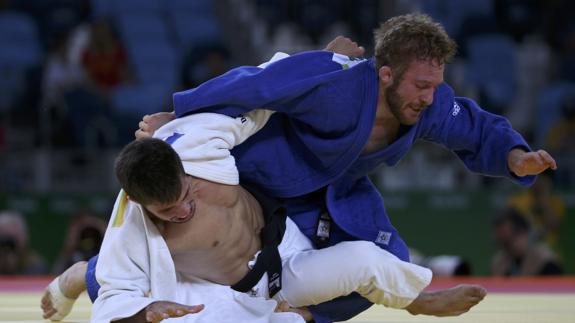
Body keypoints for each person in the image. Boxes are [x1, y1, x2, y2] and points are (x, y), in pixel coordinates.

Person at [142, 13, 556, 322]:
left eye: (435, 85)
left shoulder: (425, 104)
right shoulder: (333, 81)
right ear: (387, 74)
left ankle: (306, 314)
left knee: (386, 257)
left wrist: (513, 156)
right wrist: (177, 114)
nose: (430, 98)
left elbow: (471, 124)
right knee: (207, 248)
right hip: (266, 176)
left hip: (335, 192)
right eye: (421, 86)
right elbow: (253, 84)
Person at [43, 112, 485, 322]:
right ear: (142, 205)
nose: (182, 210)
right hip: (228, 291)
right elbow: (115, 306)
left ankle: (419, 300)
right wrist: (146, 312)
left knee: (367, 260)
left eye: (183, 195)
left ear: (180, 167)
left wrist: (325, 61)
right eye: (168, 212)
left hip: (286, 247)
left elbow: (259, 91)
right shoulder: (130, 223)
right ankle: (79, 275)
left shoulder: (193, 141)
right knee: (110, 277)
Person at [490, 207, 563, 276]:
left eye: (509, 241)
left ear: (523, 233)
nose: (508, 247)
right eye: (503, 243)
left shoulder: (546, 261)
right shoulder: (499, 263)